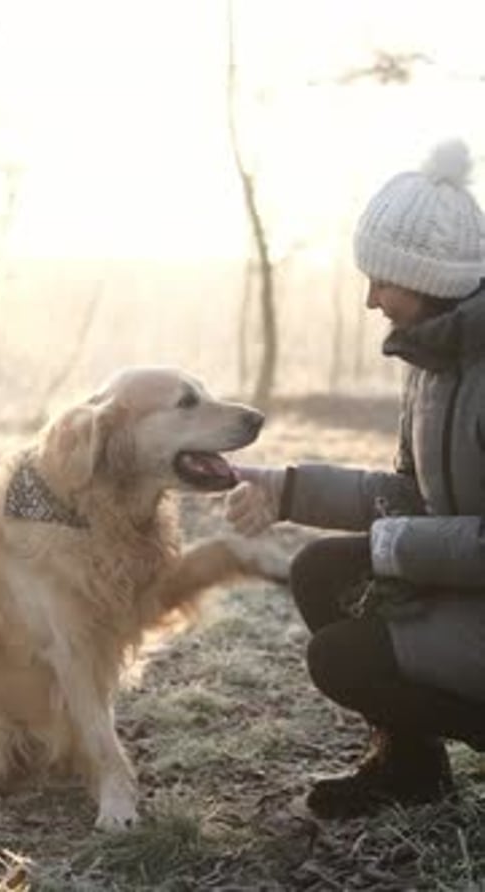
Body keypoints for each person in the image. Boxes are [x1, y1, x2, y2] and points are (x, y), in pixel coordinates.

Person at [225, 139, 485, 818]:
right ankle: (411, 770)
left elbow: (409, 527)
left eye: (382, 279)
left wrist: (395, 548)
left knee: (344, 658)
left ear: (428, 277)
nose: (370, 299)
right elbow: (408, 494)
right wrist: (285, 489)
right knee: (319, 571)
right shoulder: (434, 361)